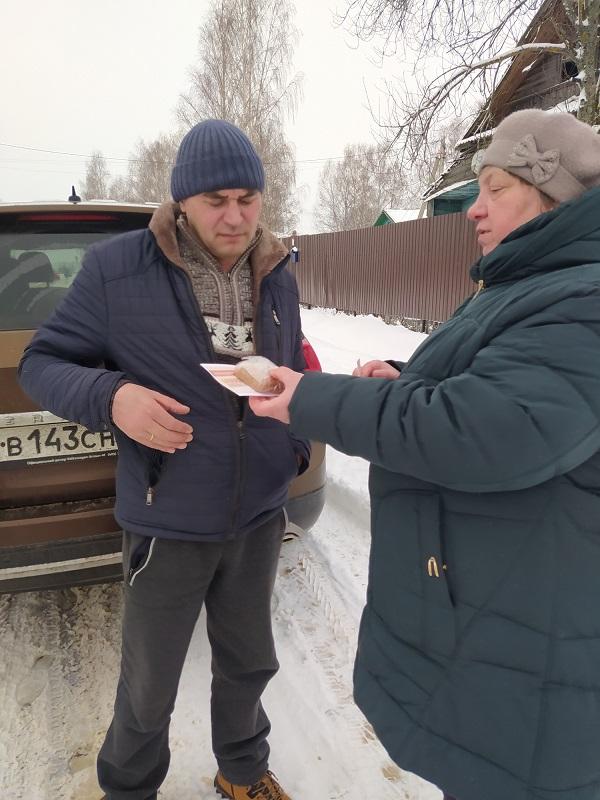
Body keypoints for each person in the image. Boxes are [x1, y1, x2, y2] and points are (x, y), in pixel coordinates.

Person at [249, 109, 600, 800]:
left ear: (551, 193)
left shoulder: (582, 298)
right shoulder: (531, 285)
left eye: (496, 187)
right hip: (503, 624)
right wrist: (411, 379)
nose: (474, 209)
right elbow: (499, 391)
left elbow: (485, 432)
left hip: (536, 651)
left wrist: (308, 400)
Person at [18, 119, 310, 800]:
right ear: (182, 201)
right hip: (168, 513)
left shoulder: (278, 272)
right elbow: (41, 362)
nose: (235, 217)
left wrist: (289, 451)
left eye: (248, 198)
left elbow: (291, 367)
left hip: (258, 513)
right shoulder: (117, 270)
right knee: (150, 681)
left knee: (249, 663)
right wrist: (112, 396)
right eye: (216, 201)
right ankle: (128, 786)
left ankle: (241, 770)